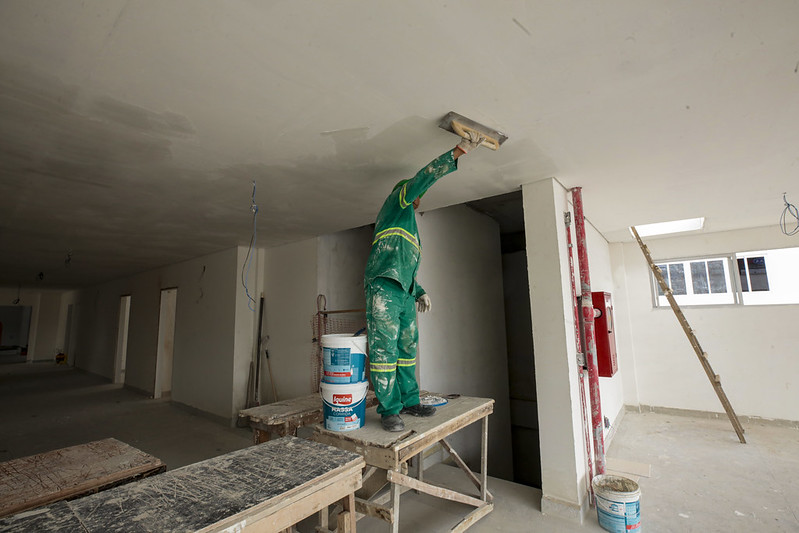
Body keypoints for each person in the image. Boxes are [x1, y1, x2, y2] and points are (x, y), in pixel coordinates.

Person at [364, 131, 485, 432]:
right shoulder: (394, 207)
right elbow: (421, 179)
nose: (419, 197)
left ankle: (409, 400)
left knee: (407, 350)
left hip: (404, 292)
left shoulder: (411, 229)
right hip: (384, 288)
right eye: (415, 193)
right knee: (384, 352)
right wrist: (457, 152)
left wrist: (420, 291)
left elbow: (406, 266)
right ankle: (389, 409)